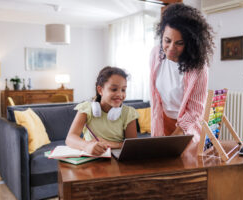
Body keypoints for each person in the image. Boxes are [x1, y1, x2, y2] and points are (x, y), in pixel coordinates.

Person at [150, 3, 214, 157]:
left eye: (179, 43)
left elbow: (194, 111)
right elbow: (155, 95)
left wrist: (174, 138)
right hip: (162, 120)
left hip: (187, 126)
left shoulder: (198, 67)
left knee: (184, 167)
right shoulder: (155, 54)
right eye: (167, 40)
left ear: (190, 43)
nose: (171, 48)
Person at [66, 66, 138, 156]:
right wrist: (87, 146)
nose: (120, 94)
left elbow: (133, 145)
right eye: (114, 89)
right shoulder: (86, 108)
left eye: (123, 90)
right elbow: (70, 138)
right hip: (92, 157)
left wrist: (110, 144)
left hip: (117, 160)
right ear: (100, 90)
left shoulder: (129, 113)